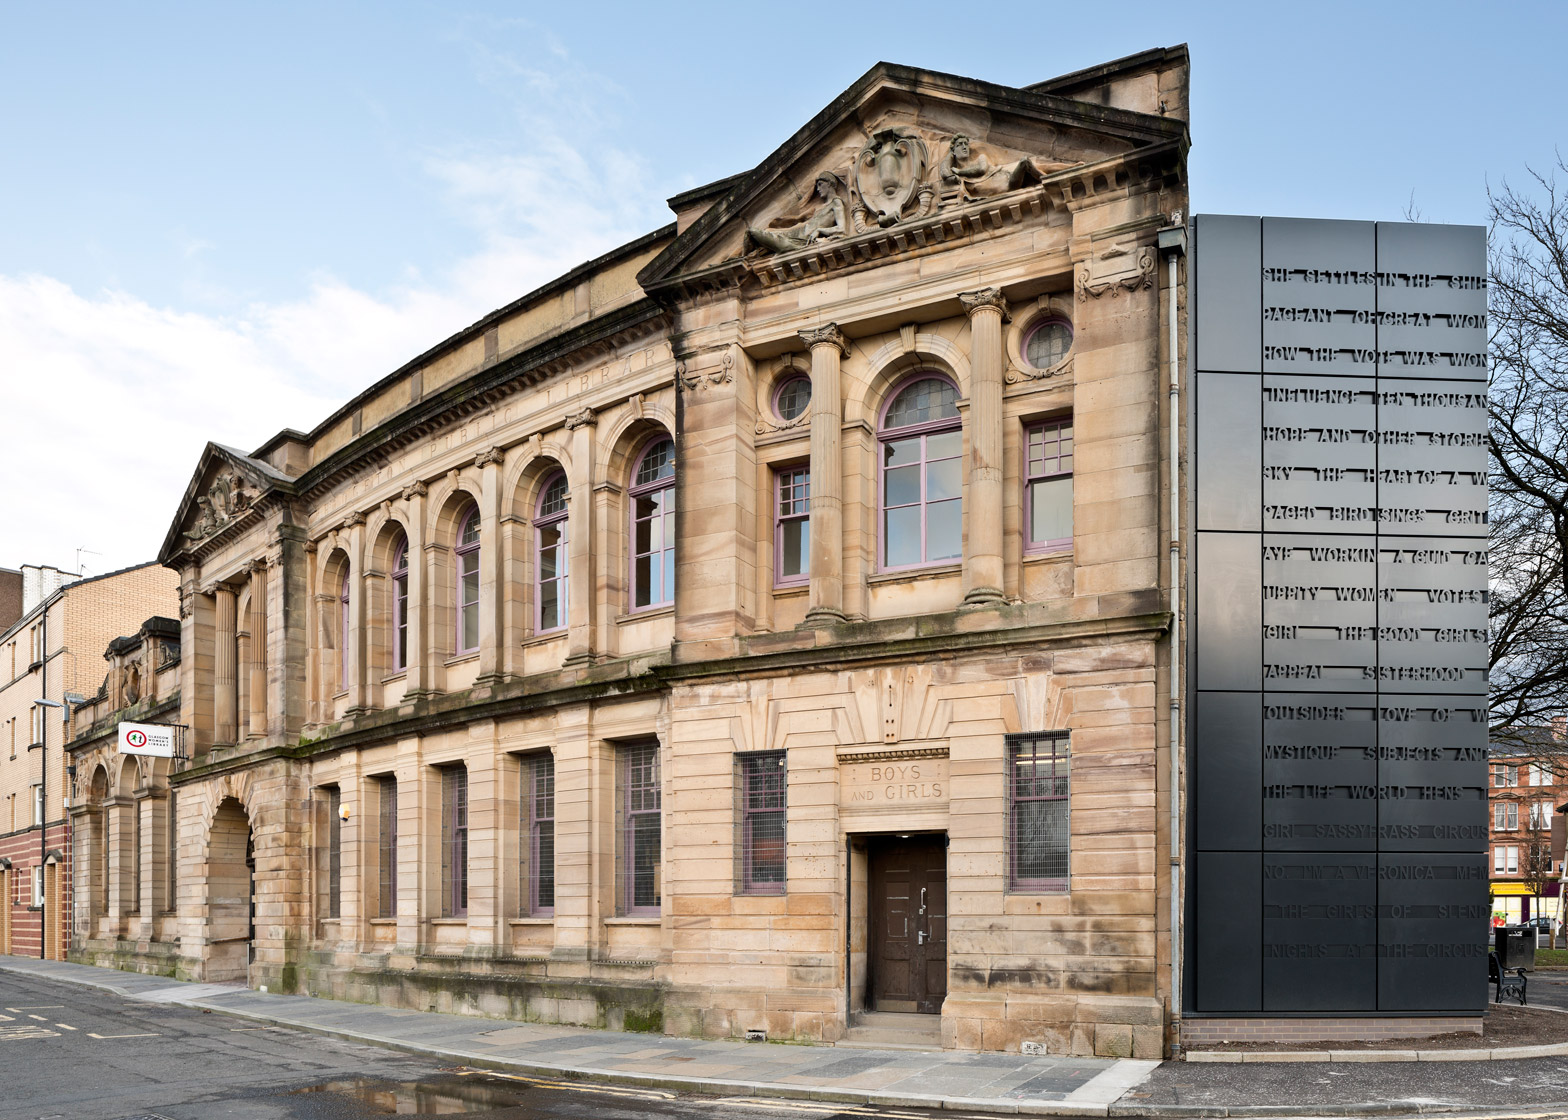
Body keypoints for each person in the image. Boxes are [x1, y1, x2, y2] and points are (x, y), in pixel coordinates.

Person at [744, 173, 846, 254]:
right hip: (795, 234)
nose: (818, 189)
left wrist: (820, 230)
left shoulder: (836, 202)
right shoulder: (824, 206)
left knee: (752, 232)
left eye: (820, 184)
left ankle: (741, 264)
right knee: (756, 233)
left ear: (830, 183)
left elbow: (841, 229)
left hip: (799, 241)